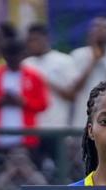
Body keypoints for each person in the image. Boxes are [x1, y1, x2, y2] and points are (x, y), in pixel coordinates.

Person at [0, 38, 49, 152]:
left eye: (16, 56)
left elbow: (43, 104)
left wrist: (24, 102)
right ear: (4, 56)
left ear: (22, 56)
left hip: (27, 139)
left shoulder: (34, 76)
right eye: (10, 56)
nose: (13, 60)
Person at [24, 23, 75, 161]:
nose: (32, 44)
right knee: (35, 168)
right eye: (30, 40)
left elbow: (71, 95)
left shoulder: (64, 61)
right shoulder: (25, 64)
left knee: (61, 168)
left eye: (36, 39)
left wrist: (44, 81)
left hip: (57, 127)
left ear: (46, 39)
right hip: (32, 129)